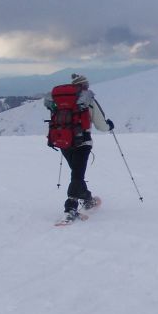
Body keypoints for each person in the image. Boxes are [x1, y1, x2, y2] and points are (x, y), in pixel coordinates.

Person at [44, 73, 114, 223]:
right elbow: (101, 126)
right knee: (77, 175)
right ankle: (70, 209)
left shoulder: (58, 100)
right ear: (85, 86)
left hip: (63, 142)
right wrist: (109, 126)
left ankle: (88, 200)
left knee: (76, 173)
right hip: (82, 143)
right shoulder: (88, 100)